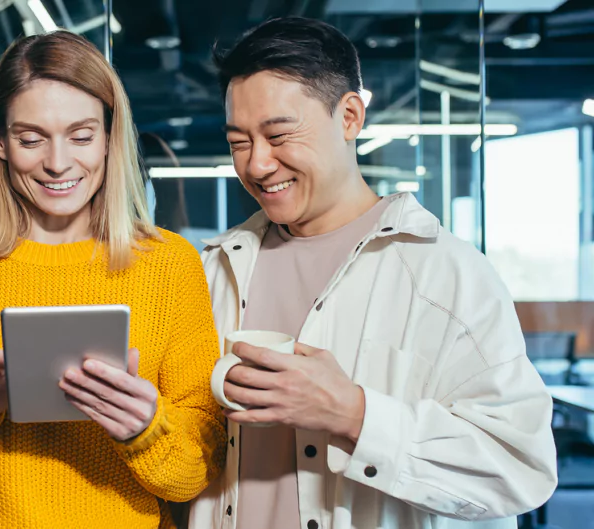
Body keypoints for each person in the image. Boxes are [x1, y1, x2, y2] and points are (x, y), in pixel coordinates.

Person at [188, 17, 558, 529]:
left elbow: (520, 469)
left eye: (278, 135)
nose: (257, 165)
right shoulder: (212, 271)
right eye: (238, 142)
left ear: (350, 116)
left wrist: (352, 414)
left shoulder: (446, 276)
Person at [0, 30, 226, 529]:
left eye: (81, 136)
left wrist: (145, 428)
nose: (57, 163)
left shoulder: (168, 266)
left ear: (109, 136)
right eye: (31, 138)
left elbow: (198, 469)